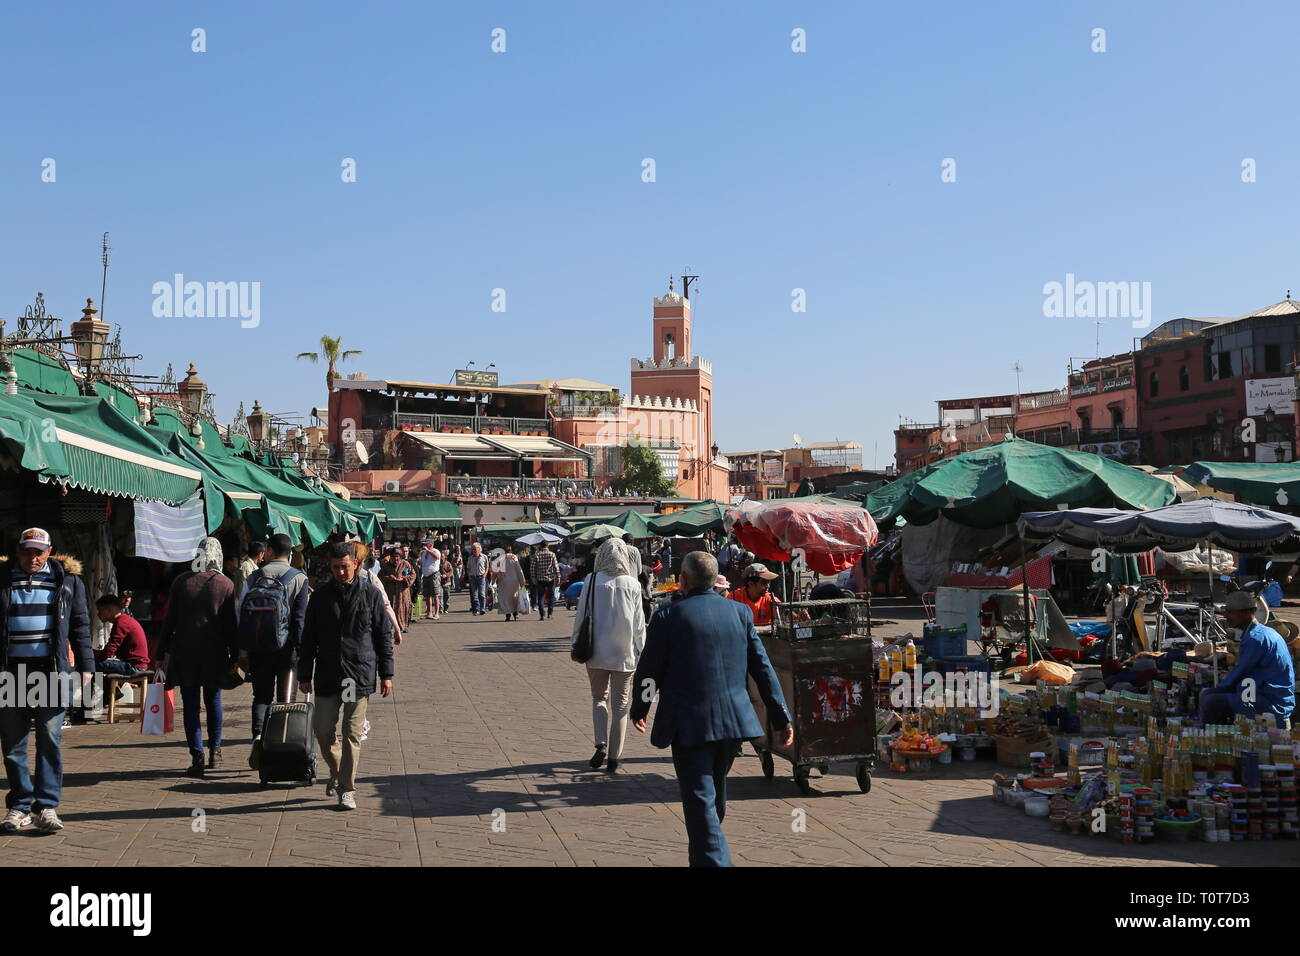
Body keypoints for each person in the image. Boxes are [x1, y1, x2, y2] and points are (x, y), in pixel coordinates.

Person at [630, 552, 792, 867]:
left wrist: (641, 706)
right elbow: (763, 670)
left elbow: (649, 670)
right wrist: (780, 715)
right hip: (733, 724)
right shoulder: (739, 613)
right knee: (711, 799)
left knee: (702, 803)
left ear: (683, 580)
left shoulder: (667, 616)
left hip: (689, 723)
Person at [0, 528, 94, 833]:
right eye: (27, 551)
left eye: (39, 552)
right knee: (13, 743)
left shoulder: (67, 581)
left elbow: (81, 625)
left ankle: (46, 806)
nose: (33, 557)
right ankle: (20, 805)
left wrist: (87, 666)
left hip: (50, 670)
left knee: (49, 739)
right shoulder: (3, 577)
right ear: (18, 551)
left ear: (50, 551)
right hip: (11, 671)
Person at [299, 542, 395, 811]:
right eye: (335, 567)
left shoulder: (371, 594)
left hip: (356, 674)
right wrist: (304, 673)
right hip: (329, 674)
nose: (340, 572)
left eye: (344, 566)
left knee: (351, 732)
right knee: (322, 729)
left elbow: (383, 636)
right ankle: (337, 772)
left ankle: (346, 789)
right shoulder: (320, 597)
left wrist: (387, 673)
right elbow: (308, 638)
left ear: (355, 564)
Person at [158, 536, 239, 778]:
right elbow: (231, 627)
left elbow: (169, 621)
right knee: (213, 699)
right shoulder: (225, 584)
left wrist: (160, 652)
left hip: (185, 653)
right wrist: (235, 656)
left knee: (191, 704)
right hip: (214, 653)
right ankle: (216, 750)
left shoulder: (181, 582)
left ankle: (197, 756)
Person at [572, 539, 646, 772]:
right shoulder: (633, 584)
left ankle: (600, 743)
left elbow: (581, 615)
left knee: (598, 698)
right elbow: (639, 625)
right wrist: (643, 651)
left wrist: (575, 644)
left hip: (595, 652)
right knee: (621, 706)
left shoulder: (591, 580)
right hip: (624, 655)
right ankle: (614, 756)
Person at [236, 533, 310, 743]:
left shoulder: (254, 577)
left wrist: (242, 650)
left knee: (261, 696)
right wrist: (301, 653)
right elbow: (300, 619)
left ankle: (258, 736)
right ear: (289, 554)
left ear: (269, 551)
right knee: (286, 699)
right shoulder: (299, 578)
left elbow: (240, 613)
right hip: (287, 649)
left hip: (257, 647)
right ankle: (280, 741)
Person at [1199, 591, 1295, 727]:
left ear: (1247, 613)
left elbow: (1240, 671)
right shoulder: (1259, 632)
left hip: (1270, 701)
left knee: (1211, 700)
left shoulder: (1255, 638)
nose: (1226, 616)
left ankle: (1213, 740)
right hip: (1262, 692)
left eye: (1231, 612)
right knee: (1207, 695)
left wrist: (1219, 689)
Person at [93, 594, 150, 675]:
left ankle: (91, 687)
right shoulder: (124, 620)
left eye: (100, 610)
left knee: (90, 663)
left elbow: (110, 650)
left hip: (134, 667)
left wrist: (96, 654)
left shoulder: (121, 622)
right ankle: (104, 686)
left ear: (109, 610)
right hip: (135, 665)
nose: (98, 614)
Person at [729, 562, 781, 626]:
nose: (768, 586)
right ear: (751, 584)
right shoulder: (733, 598)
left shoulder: (770, 600)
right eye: (764, 582)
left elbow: (785, 613)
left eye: (769, 582)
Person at [380, 546, 415, 633]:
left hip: (403, 592)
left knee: (404, 607)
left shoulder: (405, 564)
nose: (396, 558)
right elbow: (380, 577)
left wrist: (403, 578)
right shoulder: (385, 566)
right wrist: (388, 577)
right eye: (394, 556)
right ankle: (391, 627)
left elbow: (413, 575)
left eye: (397, 556)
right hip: (390, 592)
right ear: (390, 557)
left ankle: (404, 625)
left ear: (400, 556)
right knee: (391, 608)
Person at [528, 540, 559, 620]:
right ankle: (550, 613)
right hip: (550, 578)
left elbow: (532, 568)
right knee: (551, 596)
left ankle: (542, 615)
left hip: (539, 579)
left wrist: (533, 578)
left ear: (540, 546)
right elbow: (556, 567)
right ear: (547, 546)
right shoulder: (552, 554)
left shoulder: (536, 555)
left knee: (540, 596)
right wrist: (558, 576)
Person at [495, 548, 529, 621]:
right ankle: (515, 614)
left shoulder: (500, 559)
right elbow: (519, 570)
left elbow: (496, 571)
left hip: (503, 582)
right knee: (514, 598)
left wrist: (493, 582)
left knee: (505, 599)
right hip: (514, 581)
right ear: (511, 551)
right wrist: (522, 582)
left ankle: (507, 615)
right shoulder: (514, 558)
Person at [417, 539, 442, 620]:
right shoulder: (424, 553)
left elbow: (437, 557)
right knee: (427, 595)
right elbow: (420, 562)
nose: (423, 546)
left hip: (434, 575)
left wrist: (428, 550)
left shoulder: (436, 551)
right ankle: (429, 612)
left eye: (425, 544)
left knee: (435, 594)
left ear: (430, 545)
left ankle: (437, 613)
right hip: (425, 575)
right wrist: (419, 555)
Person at [466, 542, 488, 615]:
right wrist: (469, 575)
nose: (473, 551)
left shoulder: (484, 557)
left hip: (481, 577)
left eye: (475, 549)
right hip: (473, 578)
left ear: (479, 549)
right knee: (475, 595)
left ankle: (482, 608)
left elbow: (487, 567)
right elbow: (468, 568)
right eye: (473, 549)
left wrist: (484, 574)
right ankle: (477, 609)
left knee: (481, 594)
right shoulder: (470, 558)